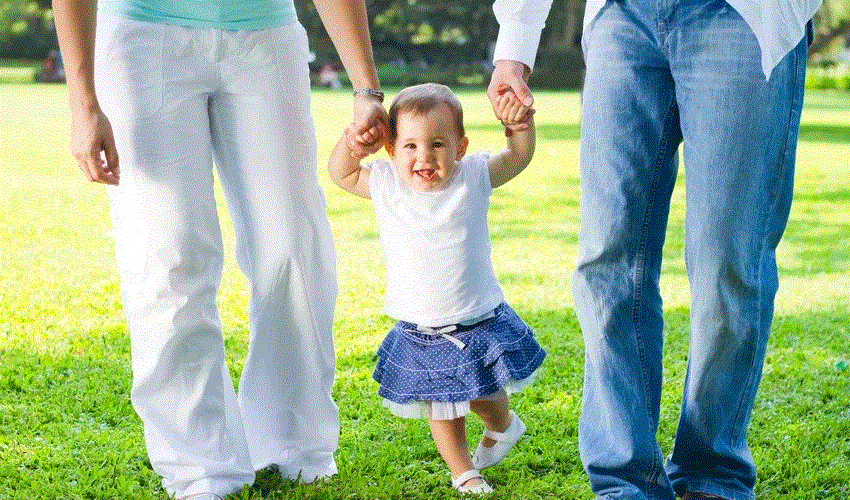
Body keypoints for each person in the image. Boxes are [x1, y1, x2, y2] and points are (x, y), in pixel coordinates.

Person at [52, 0, 386, 499]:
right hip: (143, 39)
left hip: (265, 39)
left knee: (293, 248)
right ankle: (200, 465)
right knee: (169, 256)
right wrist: (84, 102)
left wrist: (366, 87)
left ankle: (293, 443)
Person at [577, 0, 821, 499]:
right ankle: (624, 482)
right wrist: (515, 43)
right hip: (621, 16)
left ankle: (711, 474)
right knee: (607, 262)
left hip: (741, 17)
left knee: (725, 265)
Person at [327, 83, 546, 494]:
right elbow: (340, 173)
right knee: (442, 403)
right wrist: (353, 145)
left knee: (486, 392)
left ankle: (502, 424)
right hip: (423, 328)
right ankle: (463, 470)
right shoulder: (386, 183)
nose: (424, 157)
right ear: (391, 149)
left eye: (438, 144)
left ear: (460, 147)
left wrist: (519, 125)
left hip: (476, 317)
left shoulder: (473, 176)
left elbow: (518, 157)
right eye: (410, 145)